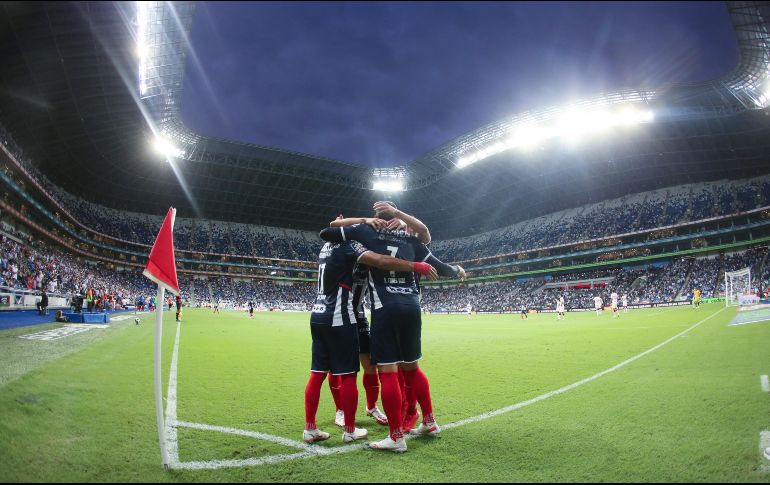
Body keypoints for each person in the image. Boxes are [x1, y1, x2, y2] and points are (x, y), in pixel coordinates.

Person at [319, 202, 464, 452]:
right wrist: (457, 270)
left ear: (376, 216)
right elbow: (440, 265)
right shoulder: (410, 238)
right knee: (412, 368)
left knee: (387, 371)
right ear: (396, 216)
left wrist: (363, 221)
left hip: (385, 307)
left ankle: (396, 437)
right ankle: (430, 422)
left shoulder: (365, 232)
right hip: (412, 306)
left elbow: (327, 232)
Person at [302, 234, 439, 445]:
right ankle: (343, 417)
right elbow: (381, 259)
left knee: (364, 367)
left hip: (340, 314)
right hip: (343, 315)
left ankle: (370, 407)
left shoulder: (329, 248)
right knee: (345, 373)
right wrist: (415, 264)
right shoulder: (351, 248)